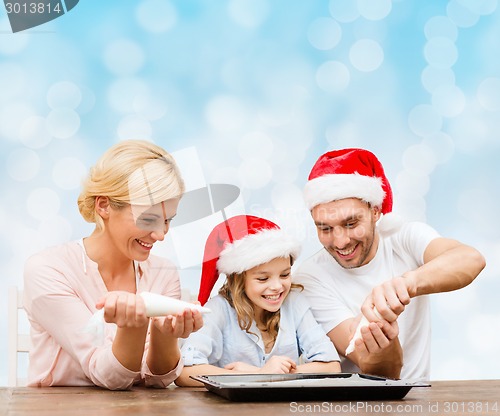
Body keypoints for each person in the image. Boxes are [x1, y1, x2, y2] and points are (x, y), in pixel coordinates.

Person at [23, 140, 203, 390]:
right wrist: (134, 325)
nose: (161, 234)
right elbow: (108, 376)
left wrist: (166, 335)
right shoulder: (48, 270)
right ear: (104, 205)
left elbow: (158, 379)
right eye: (149, 219)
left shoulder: (164, 274)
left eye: (167, 220)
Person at [294, 148, 485, 380]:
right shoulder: (310, 279)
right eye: (325, 228)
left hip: (419, 401)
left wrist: (406, 284)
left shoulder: (405, 239)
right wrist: (384, 338)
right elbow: (377, 371)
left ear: (375, 211)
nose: (340, 241)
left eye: (351, 223)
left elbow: (471, 259)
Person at [175, 215, 341, 386]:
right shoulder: (219, 309)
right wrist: (260, 374)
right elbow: (185, 373)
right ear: (238, 279)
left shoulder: (294, 302)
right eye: (263, 279)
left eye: (285, 274)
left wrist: (267, 375)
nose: (277, 286)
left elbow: (331, 366)